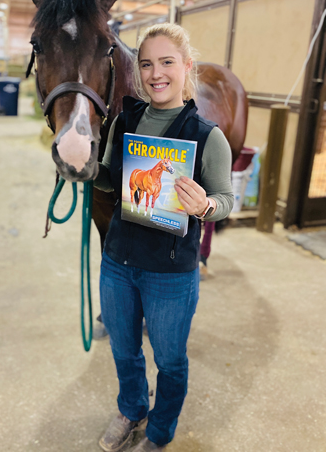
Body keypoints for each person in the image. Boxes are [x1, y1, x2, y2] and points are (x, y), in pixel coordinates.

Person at [94, 23, 234, 451]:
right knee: (123, 348)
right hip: (117, 262)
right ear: (139, 72)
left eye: (167, 62)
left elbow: (227, 198)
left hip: (169, 274)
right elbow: (109, 181)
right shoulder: (125, 121)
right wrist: (81, 168)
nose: (157, 73)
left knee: (170, 361)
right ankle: (133, 410)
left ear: (186, 66)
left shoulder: (208, 138)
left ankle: (159, 432)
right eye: (148, 64)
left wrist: (205, 207)